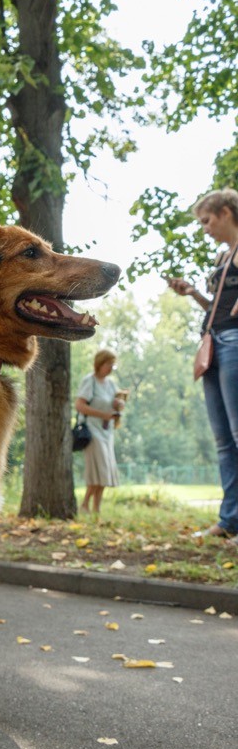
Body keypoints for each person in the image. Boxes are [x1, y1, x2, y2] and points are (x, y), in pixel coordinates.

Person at [168, 188, 238, 540]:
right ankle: (229, 521)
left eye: (207, 221)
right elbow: (219, 306)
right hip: (215, 345)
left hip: (234, 345)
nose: (205, 229)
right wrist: (194, 293)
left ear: (226, 213)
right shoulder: (224, 257)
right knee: (224, 440)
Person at [75, 349, 125, 515]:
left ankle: (96, 508)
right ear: (100, 363)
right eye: (108, 364)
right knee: (99, 469)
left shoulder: (111, 384)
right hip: (92, 430)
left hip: (107, 432)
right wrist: (103, 414)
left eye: (113, 364)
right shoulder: (90, 381)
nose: (111, 367)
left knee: (105, 471)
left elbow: (113, 403)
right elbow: (80, 405)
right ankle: (85, 504)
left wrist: (118, 404)